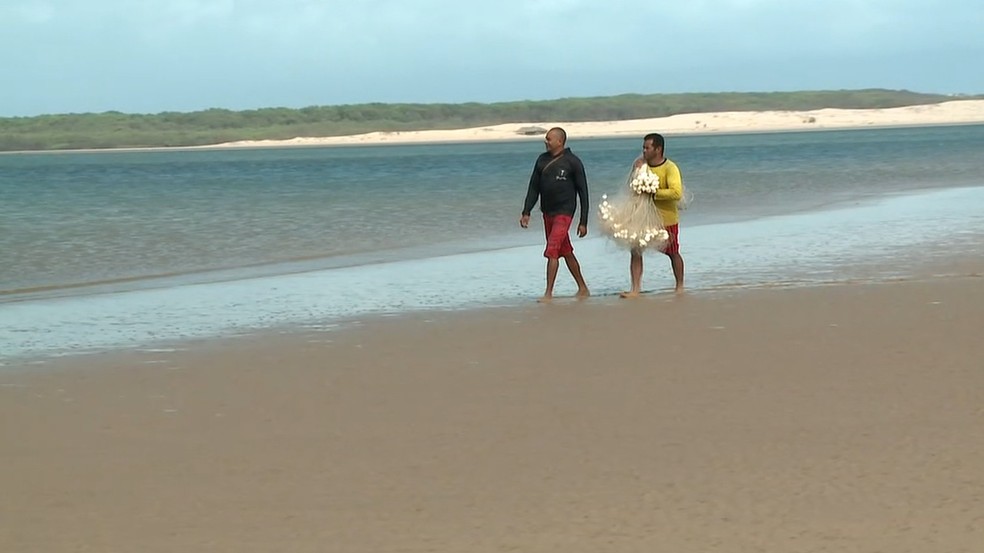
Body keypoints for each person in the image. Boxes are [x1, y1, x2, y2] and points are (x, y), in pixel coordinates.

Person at [520, 127, 590, 302]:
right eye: (546, 138)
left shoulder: (572, 162)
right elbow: (534, 187)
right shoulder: (541, 160)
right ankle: (583, 288)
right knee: (565, 251)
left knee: (552, 250)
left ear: (560, 141)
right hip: (548, 212)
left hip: (565, 213)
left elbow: (583, 192)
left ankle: (548, 294)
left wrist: (583, 221)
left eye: (549, 139)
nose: (546, 141)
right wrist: (526, 211)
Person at [621, 132, 685, 296]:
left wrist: (654, 192)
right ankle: (635, 289)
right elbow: (633, 188)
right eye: (643, 147)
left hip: (666, 219)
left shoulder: (670, 168)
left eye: (647, 148)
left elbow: (676, 193)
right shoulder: (642, 165)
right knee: (635, 249)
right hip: (644, 217)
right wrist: (636, 171)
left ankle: (679, 286)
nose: (643, 151)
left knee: (672, 252)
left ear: (658, 149)